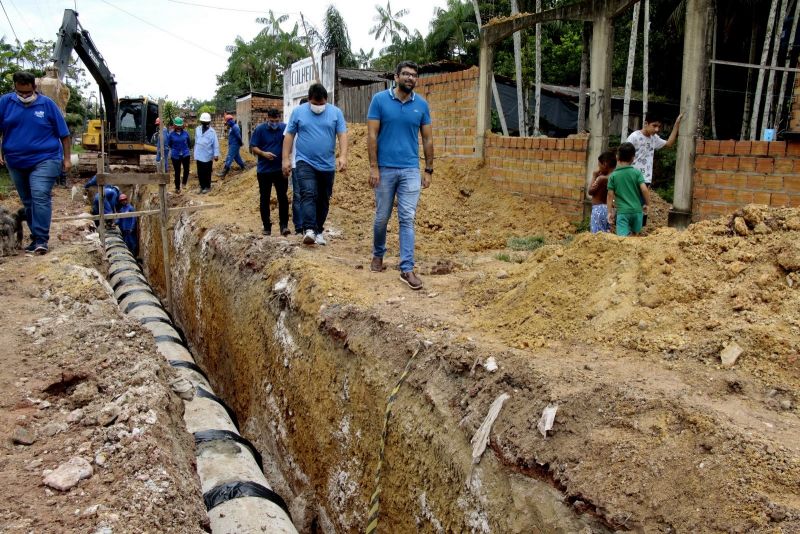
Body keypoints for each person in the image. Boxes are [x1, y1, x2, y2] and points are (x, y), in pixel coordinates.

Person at [367, 60, 433, 290]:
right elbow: (372, 135)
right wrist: (373, 166)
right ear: (396, 77)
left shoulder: (422, 106)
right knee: (382, 217)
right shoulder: (379, 101)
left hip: (410, 170)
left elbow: (427, 139)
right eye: (405, 74)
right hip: (384, 169)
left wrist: (428, 169)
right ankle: (378, 254)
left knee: (407, 217)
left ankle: (407, 268)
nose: (410, 78)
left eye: (413, 75)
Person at [0, 71, 71, 254]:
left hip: (46, 158)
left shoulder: (47, 105)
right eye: (20, 93)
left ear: (34, 88)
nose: (24, 97)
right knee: (28, 201)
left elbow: (64, 135)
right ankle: (34, 238)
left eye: (27, 93)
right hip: (16, 160)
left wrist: (67, 159)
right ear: (15, 88)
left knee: (39, 194)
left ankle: (41, 239)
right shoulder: (5, 103)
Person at [282, 83, 347, 246]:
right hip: (305, 161)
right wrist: (285, 158)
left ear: (326, 100)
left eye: (321, 104)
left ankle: (318, 231)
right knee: (308, 193)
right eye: (315, 104)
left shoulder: (335, 113)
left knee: (323, 199)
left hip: (327, 164)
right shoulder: (298, 112)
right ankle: (309, 229)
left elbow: (342, 134)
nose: (318, 107)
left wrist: (343, 156)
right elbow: (289, 135)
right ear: (309, 100)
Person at [626, 112, 682, 226]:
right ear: (646, 123)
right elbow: (624, 155)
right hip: (632, 177)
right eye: (654, 126)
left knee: (642, 207)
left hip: (645, 178)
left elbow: (669, 143)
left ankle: (637, 233)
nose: (657, 129)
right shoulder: (634, 137)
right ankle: (627, 232)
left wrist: (677, 124)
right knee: (631, 206)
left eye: (659, 127)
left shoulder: (654, 138)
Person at [250, 108, 289, 236]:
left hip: (280, 170)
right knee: (264, 199)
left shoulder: (284, 128)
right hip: (264, 171)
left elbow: (290, 143)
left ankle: (284, 226)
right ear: (267, 119)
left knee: (282, 198)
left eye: (276, 121)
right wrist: (263, 153)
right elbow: (253, 147)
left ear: (280, 119)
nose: (274, 123)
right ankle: (266, 226)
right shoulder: (260, 130)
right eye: (272, 121)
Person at [607, 142, 650, 237]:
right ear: (633, 158)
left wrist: (609, 212)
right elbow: (644, 190)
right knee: (635, 236)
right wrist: (647, 204)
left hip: (623, 212)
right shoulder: (637, 173)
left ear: (617, 157)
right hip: (637, 211)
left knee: (623, 239)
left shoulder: (613, 176)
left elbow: (610, 196)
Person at [289, 97, 308, 235]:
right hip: (296, 165)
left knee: (310, 196)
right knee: (297, 196)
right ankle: (299, 226)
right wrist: (287, 162)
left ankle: (309, 226)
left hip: (312, 166)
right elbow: (287, 143)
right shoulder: (294, 124)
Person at [588, 150, 617, 234]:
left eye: (599, 165)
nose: (598, 168)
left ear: (604, 164)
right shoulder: (615, 176)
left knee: (597, 236)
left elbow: (590, 191)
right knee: (607, 235)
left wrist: (594, 176)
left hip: (599, 210)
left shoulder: (601, 178)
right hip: (610, 210)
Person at [194, 112, 220, 193]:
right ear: (201, 122)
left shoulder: (212, 132)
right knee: (200, 172)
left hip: (207, 155)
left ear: (208, 122)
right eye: (203, 122)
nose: (204, 124)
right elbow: (196, 141)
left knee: (207, 172)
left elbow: (215, 144)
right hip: (199, 154)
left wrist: (216, 155)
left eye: (206, 122)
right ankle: (202, 186)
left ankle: (207, 187)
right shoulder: (197, 129)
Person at [218, 113, 246, 178]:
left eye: (227, 122)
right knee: (237, 157)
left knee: (229, 157)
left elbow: (238, 136)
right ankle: (243, 167)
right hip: (233, 145)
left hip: (235, 145)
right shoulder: (232, 127)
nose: (227, 124)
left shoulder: (235, 127)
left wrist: (241, 143)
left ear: (230, 121)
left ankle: (224, 173)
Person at [166, 117, 190, 192]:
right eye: (177, 126)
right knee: (177, 171)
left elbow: (189, 143)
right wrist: (175, 149)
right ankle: (177, 187)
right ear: (174, 126)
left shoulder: (186, 133)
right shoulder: (171, 134)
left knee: (186, 169)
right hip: (175, 155)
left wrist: (185, 149)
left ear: (182, 126)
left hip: (185, 154)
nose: (179, 127)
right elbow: (169, 144)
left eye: (180, 126)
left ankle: (184, 183)